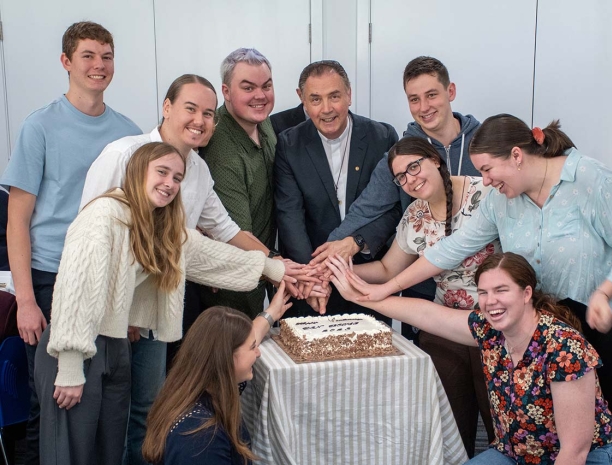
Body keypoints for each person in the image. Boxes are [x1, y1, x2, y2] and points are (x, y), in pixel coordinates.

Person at [353, 114, 612, 465]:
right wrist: (387, 288)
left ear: (516, 155)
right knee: (562, 435)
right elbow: (451, 248)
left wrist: (605, 292)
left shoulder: (588, 177)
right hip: (560, 322)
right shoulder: (500, 200)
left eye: (487, 169)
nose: (484, 180)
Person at [79, 74, 311, 465]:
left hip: (159, 310)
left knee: (148, 411)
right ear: (167, 107)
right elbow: (91, 236)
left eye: (207, 113)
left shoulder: (199, 171)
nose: (200, 120)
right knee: (106, 419)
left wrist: (282, 269)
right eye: (191, 109)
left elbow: (225, 231)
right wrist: (122, 310)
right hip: (107, 315)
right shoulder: (124, 153)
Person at [33, 142, 287, 465]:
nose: (170, 183)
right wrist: (69, 367)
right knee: (70, 456)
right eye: (162, 173)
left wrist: (274, 269)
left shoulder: (162, 225)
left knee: (110, 454)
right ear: (139, 172)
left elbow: (211, 257)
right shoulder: (102, 215)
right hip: (73, 347)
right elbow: (74, 289)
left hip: (116, 346)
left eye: (178, 178)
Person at [328, 252, 612, 465]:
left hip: (588, 458)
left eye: (501, 290)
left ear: (526, 294)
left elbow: (575, 451)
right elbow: (426, 313)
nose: (490, 301)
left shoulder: (563, 346)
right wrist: (360, 297)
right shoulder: (488, 328)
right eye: (483, 292)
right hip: (516, 454)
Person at [0, 21, 141, 465]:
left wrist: (133, 303)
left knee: (104, 405)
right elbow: (17, 221)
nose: (99, 66)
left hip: (108, 283)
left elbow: (136, 222)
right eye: (88, 56)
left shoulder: (128, 132)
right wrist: (25, 300)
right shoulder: (39, 127)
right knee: (53, 404)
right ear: (66, 62)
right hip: (51, 280)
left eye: (106, 56)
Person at [310, 56, 481, 342]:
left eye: (431, 95)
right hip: (427, 295)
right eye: (414, 99)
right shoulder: (401, 155)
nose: (424, 107)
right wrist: (325, 264)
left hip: (491, 299)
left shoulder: (484, 143)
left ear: (450, 92)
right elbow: (367, 208)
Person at [345, 136, 497, 457]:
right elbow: (388, 270)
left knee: (501, 425)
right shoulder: (415, 215)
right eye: (401, 177)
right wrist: (342, 273)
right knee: (452, 429)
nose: (409, 179)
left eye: (414, 166)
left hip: (496, 324)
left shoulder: (485, 192)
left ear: (436, 160)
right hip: (443, 326)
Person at [274, 60, 399, 318]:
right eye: (316, 99)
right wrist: (313, 277)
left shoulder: (382, 136)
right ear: (302, 100)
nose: (327, 109)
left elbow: (394, 207)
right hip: (310, 284)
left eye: (335, 96)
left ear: (349, 94)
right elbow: (290, 215)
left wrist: (357, 242)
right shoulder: (289, 143)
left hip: (369, 276)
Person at [142, 291, 292, 465]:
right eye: (253, 348)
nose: (258, 353)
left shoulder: (194, 389)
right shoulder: (201, 439)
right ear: (226, 358)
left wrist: (271, 313)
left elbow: (247, 338)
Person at [200, 48, 279, 318]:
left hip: (262, 267)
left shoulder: (263, 121)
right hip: (232, 282)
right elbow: (234, 235)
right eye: (248, 88)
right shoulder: (221, 148)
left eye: (266, 86)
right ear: (226, 91)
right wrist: (280, 267)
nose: (260, 96)